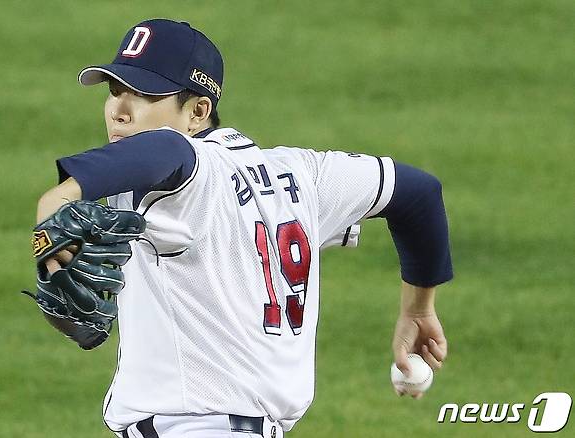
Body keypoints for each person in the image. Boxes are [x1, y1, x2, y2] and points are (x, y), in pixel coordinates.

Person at [36, 18, 453, 438]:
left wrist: (58, 197)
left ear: (198, 111)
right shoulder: (302, 175)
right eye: (114, 91)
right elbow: (418, 194)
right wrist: (418, 308)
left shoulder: (186, 172)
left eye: (144, 95)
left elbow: (167, 150)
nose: (119, 111)